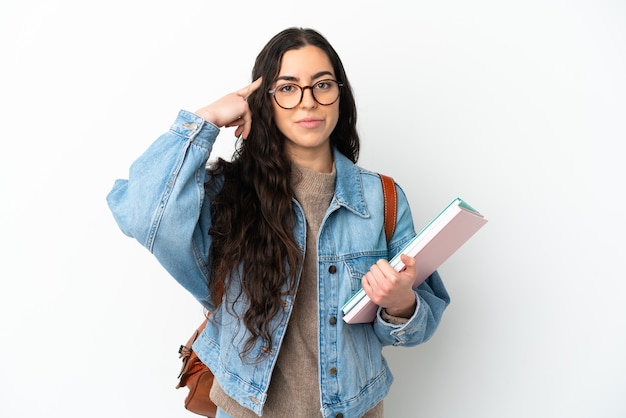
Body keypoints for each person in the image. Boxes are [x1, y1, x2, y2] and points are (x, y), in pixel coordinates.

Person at [107, 27, 450, 418]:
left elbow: (420, 323)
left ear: (340, 95)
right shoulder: (228, 192)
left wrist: (400, 304)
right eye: (288, 88)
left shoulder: (382, 199)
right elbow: (141, 210)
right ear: (264, 101)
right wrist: (206, 120)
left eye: (322, 84)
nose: (308, 102)